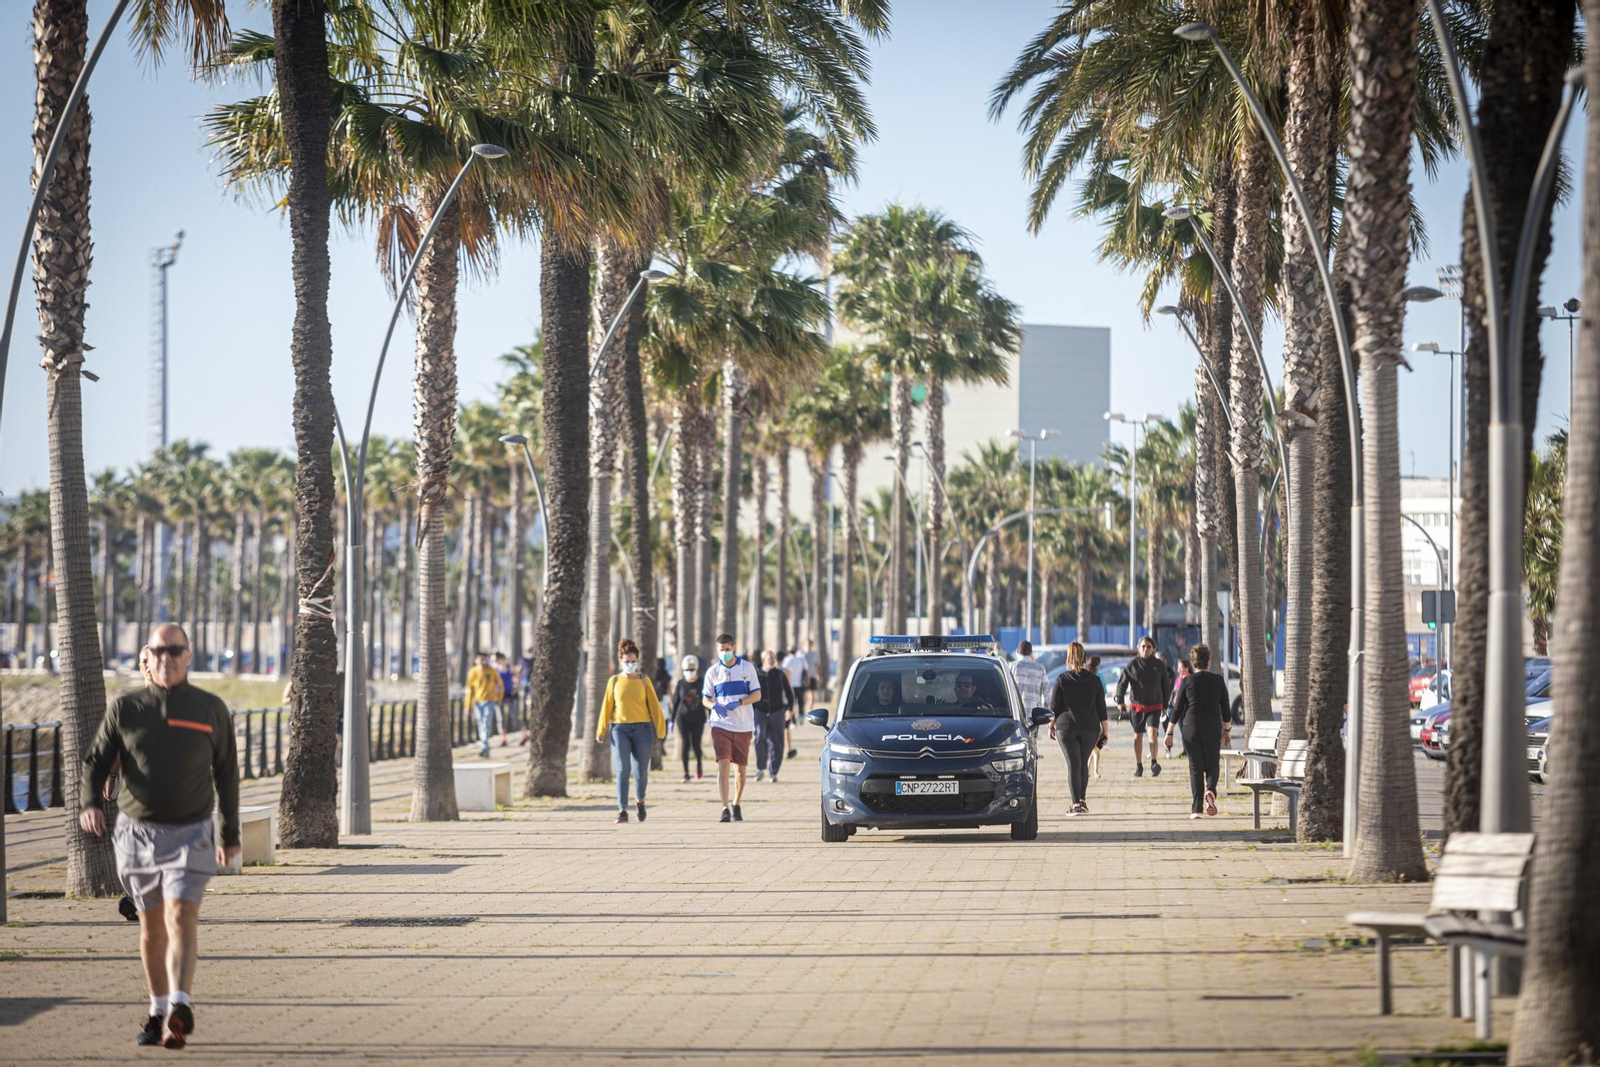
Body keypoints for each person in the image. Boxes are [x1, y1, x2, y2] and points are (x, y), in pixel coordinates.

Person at [79, 624, 239, 1050]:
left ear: (189, 656)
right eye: (158, 650)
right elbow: (96, 760)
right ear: (146, 656)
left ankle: (180, 1006)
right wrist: (90, 801)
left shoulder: (210, 709)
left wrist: (230, 833)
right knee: (151, 926)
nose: (167, 657)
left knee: (181, 915)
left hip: (192, 831)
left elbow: (227, 774)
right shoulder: (126, 709)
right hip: (137, 834)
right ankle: (157, 1009)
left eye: (175, 650)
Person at [597, 638, 667, 823]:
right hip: (620, 729)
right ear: (621, 661)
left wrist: (661, 730)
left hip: (643, 729)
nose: (630, 665)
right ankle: (622, 809)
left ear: (638, 661)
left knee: (640, 771)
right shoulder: (614, 682)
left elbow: (654, 706)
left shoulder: (644, 681)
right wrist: (601, 729)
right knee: (622, 769)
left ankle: (640, 800)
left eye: (633, 661)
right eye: (627, 662)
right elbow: (607, 707)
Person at [1166, 643, 1232, 819]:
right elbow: (1226, 709)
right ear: (1208, 661)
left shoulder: (1187, 681)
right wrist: (1227, 731)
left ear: (1193, 663)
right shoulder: (1218, 680)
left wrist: (1169, 733)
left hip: (1191, 727)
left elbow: (1177, 708)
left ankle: (1197, 809)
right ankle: (1210, 790)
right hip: (1212, 726)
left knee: (1195, 767)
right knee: (1212, 764)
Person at [702, 633, 761, 822]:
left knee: (740, 770)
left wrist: (741, 701)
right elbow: (705, 698)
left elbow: (757, 695)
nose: (725, 653)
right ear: (717, 650)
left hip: (743, 725)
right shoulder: (713, 672)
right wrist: (713, 706)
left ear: (733, 647)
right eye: (721, 650)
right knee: (723, 762)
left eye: (727, 650)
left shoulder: (747, 667)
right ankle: (724, 807)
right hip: (720, 725)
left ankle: (736, 803)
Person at [1048, 641, 1108, 816]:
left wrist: (1051, 725)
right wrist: (1105, 731)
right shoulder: (1095, 680)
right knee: (1082, 763)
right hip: (1090, 728)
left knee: (1073, 764)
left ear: (1068, 658)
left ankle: (1075, 804)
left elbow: (1055, 706)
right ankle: (1081, 800)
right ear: (1084, 659)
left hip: (1066, 728)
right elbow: (1101, 707)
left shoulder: (1062, 679)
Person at [1115, 635, 1174, 778]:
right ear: (1138, 648)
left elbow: (1166, 686)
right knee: (1138, 736)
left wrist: (1165, 705)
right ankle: (1139, 765)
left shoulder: (1159, 665)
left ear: (1153, 649)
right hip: (1137, 706)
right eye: (1143, 647)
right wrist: (1120, 701)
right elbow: (1122, 683)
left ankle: (1154, 762)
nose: (1145, 649)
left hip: (1155, 705)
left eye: (1148, 647)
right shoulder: (1132, 665)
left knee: (1153, 733)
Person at [753, 650, 795, 782]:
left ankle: (773, 771)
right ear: (763, 659)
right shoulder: (756, 674)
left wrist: (790, 709)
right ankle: (760, 768)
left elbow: (789, 693)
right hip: (760, 710)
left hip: (778, 711)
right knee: (760, 737)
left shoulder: (780, 674)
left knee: (777, 742)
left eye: (773, 657)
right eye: (769, 657)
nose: (771, 659)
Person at [671, 655, 706, 781]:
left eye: (692, 669)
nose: (689, 672)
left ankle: (699, 766)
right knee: (685, 744)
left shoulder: (702, 682)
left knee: (696, 744)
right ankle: (686, 772)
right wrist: (672, 719)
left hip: (698, 718)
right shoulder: (681, 683)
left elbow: (707, 699)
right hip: (683, 718)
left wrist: (711, 715)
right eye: (687, 669)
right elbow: (676, 701)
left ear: (696, 669)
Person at [465, 652, 503, 758]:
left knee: (486, 723)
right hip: (477, 702)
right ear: (476, 660)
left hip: (490, 701)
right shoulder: (472, 672)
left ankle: (485, 748)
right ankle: (484, 746)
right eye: (481, 659)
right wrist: (467, 705)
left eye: (485, 659)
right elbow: (469, 690)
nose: (483, 661)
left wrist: (499, 697)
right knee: (480, 724)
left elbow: (499, 684)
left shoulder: (491, 671)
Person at [1011, 640, 1050, 711]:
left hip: (1016, 713)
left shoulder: (1012, 666)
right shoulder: (1040, 668)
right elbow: (1047, 695)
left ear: (1018, 652)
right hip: (1035, 715)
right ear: (1031, 653)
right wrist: (1046, 713)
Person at [494, 652, 521, 747]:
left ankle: (524, 734)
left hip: (510, 696)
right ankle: (503, 739)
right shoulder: (495, 670)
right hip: (500, 697)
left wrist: (516, 688)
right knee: (500, 718)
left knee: (514, 715)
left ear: (502, 659)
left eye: (497, 659)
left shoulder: (510, 668)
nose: (496, 661)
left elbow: (518, 677)